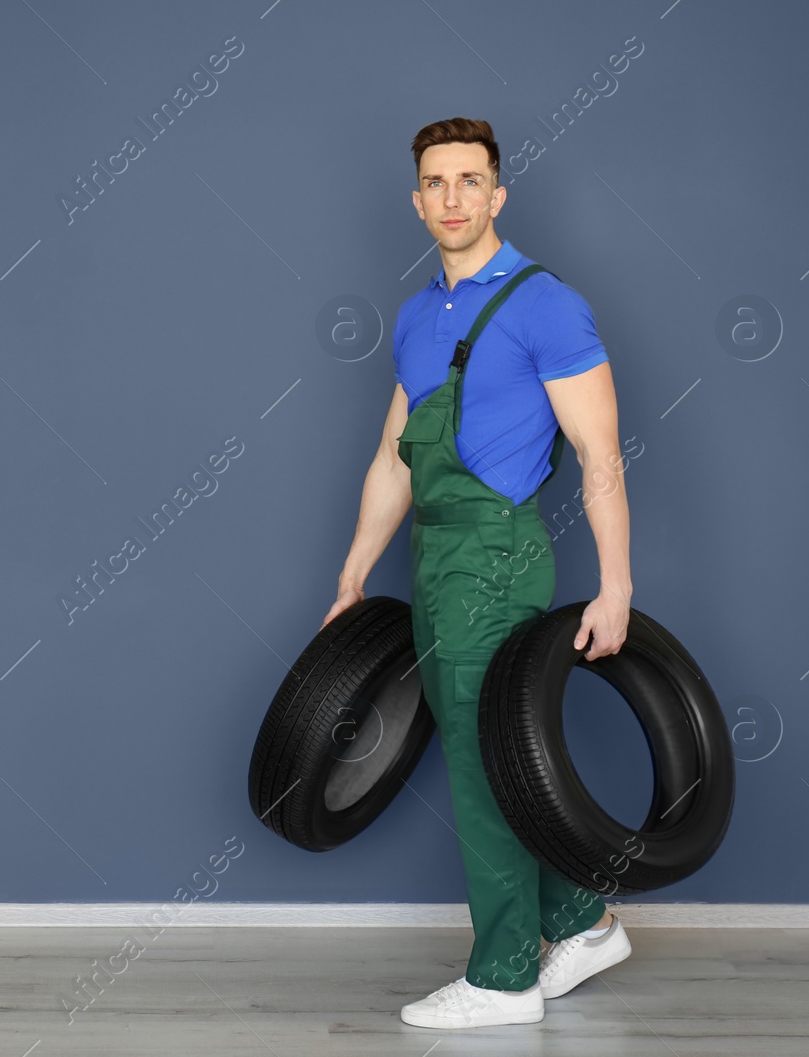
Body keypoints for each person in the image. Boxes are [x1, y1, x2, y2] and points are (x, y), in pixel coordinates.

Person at [321, 117, 634, 1029]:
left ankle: (503, 977)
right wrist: (354, 572)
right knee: (487, 747)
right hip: (433, 549)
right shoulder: (419, 315)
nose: (452, 197)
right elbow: (394, 457)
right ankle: (583, 920)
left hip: (498, 552)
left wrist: (616, 585)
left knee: (481, 761)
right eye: (435, 182)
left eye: (470, 180)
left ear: (499, 194)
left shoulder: (546, 303)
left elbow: (600, 451)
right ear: (416, 200)